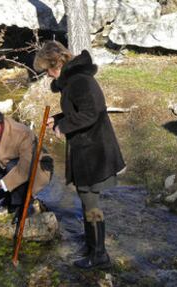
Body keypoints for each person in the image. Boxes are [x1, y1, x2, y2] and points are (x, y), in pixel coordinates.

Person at [34, 41, 126, 270]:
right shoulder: (73, 80)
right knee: (87, 200)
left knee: (90, 201)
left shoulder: (80, 81)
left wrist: (64, 126)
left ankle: (99, 254)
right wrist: (59, 118)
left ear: (57, 64)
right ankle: (92, 246)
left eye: (47, 69)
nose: (47, 75)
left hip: (94, 150)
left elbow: (91, 112)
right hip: (87, 148)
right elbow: (77, 109)